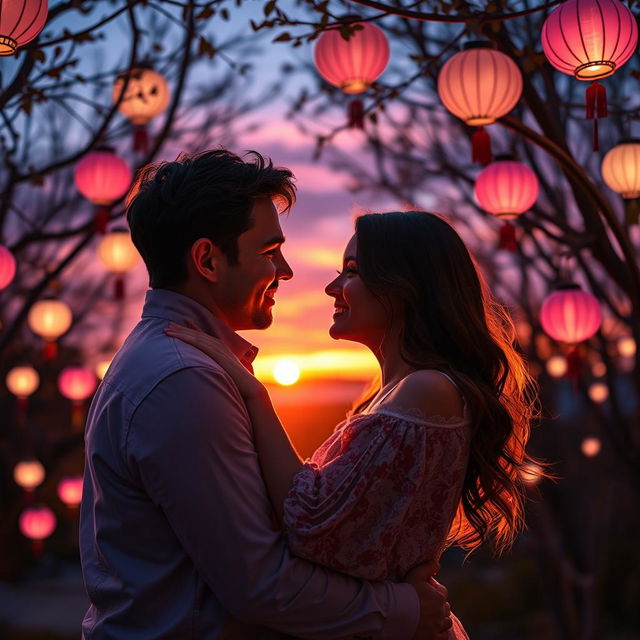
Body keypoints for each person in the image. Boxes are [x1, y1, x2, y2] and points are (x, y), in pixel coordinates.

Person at [79, 149, 452, 639]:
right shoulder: (183, 381)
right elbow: (259, 583)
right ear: (208, 259)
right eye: (268, 250)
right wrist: (404, 610)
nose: (288, 270)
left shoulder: (178, 364)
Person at [166, 210, 541, 640]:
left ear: (405, 287)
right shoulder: (393, 393)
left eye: (352, 272)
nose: (332, 287)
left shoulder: (426, 391)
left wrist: (254, 394)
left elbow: (311, 522)